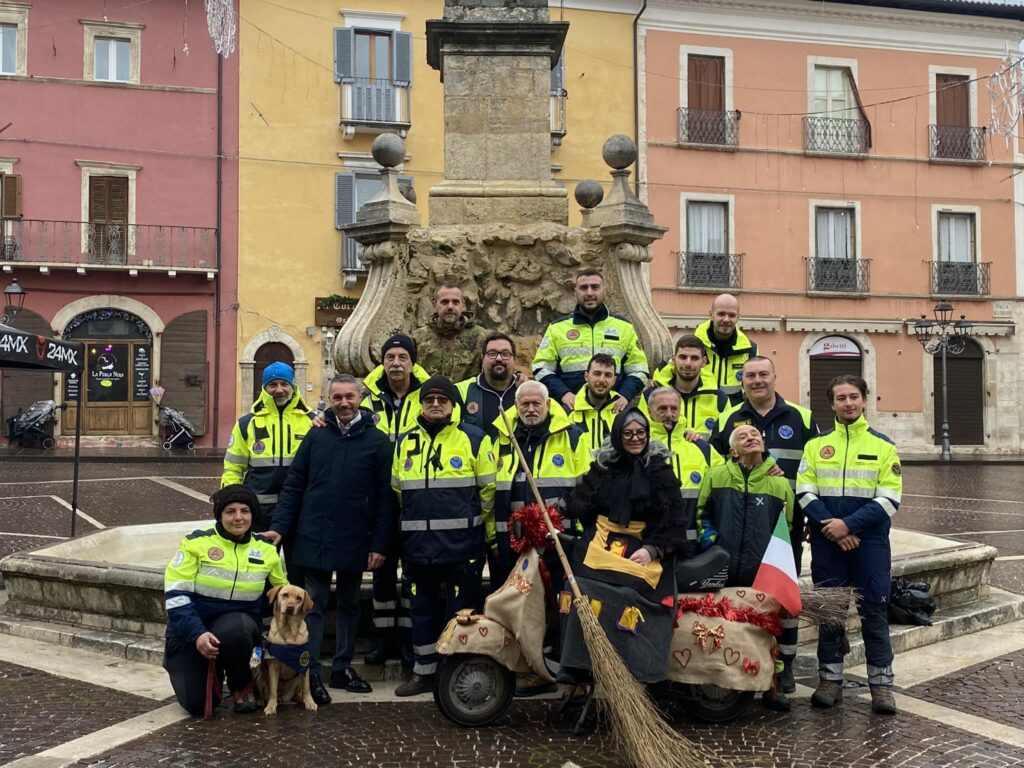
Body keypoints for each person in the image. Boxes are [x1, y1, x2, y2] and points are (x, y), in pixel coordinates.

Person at [264, 375, 397, 705]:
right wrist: (280, 527)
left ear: (360, 397)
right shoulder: (316, 435)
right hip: (315, 534)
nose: (344, 403)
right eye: (337, 397)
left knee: (351, 604)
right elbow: (294, 484)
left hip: (356, 535)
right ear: (329, 400)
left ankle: (342, 667)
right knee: (315, 605)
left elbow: (385, 499)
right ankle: (313, 674)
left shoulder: (379, 442)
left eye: (349, 396)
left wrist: (380, 544)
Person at [710, 355, 818, 693]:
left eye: (763, 374)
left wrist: (809, 518)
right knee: (738, 599)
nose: (757, 380)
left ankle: (782, 670)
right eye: (750, 375)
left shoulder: (802, 417)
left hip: (783, 533)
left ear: (775, 377)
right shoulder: (728, 417)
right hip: (737, 528)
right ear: (742, 380)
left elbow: (812, 472)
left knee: (783, 602)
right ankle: (742, 665)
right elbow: (716, 465)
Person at [558, 408, 687, 685]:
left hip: (643, 547)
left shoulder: (659, 471)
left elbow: (674, 520)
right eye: (627, 433)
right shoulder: (605, 466)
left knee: (626, 594)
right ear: (618, 436)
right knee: (576, 587)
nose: (634, 438)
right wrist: (553, 514)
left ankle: (629, 665)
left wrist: (653, 550)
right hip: (600, 543)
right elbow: (580, 500)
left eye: (640, 433)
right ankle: (578, 663)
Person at [798, 375, 902, 716]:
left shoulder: (884, 446)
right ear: (831, 404)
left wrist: (849, 525)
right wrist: (834, 527)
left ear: (864, 399)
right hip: (829, 539)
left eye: (853, 397)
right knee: (830, 613)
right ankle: (830, 681)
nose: (848, 403)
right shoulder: (815, 446)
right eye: (841, 398)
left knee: (874, 612)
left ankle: (882, 687)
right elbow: (804, 491)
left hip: (869, 541)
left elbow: (890, 499)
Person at [390, 375, 496, 697]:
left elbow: (488, 493)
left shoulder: (475, 439)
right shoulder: (405, 441)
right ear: (421, 404)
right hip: (418, 549)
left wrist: (486, 537)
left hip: (462, 548)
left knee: (461, 613)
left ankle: (456, 675)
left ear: (454, 406)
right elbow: (398, 492)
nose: (435, 404)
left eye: (442, 400)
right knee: (421, 611)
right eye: (429, 399)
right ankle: (423, 673)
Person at [163, 485, 287, 716]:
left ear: (253, 515)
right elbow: (176, 596)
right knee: (198, 706)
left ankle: (241, 684)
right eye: (230, 511)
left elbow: (282, 592)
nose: (238, 517)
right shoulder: (195, 543)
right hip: (193, 632)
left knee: (236, 631)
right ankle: (199, 667)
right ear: (219, 515)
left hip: (236, 627)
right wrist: (197, 634)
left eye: (245, 511)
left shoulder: (266, 550)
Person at [695, 425, 795, 711]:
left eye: (756, 434)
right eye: (742, 436)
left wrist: (774, 560)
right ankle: (723, 680)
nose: (752, 437)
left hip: (762, 570)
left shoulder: (780, 483)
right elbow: (703, 516)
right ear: (732, 450)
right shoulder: (715, 476)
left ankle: (772, 686)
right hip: (723, 567)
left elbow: (786, 527)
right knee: (724, 623)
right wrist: (713, 545)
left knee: (766, 628)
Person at [361, 334, 429, 665]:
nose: (396, 363)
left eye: (403, 356)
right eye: (390, 357)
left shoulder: (427, 396)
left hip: (415, 497)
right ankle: (382, 638)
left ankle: (406, 639)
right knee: (382, 574)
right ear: (383, 362)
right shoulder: (366, 398)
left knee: (413, 575)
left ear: (413, 362)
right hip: (378, 499)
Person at [532, 268, 649, 413]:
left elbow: (640, 370)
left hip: (612, 411)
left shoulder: (624, 327)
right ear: (575, 292)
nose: (589, 293)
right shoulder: (557, 328)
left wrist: (625, 396)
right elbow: (541, 368)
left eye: (595, 287)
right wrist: (563, 394)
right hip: (571, 411)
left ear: (604, 291)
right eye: (583, 288)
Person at [222, 362, 315, 531]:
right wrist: (229, 499)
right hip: (259, 512)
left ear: (293, 386)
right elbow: (233, 469)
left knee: (300, 559)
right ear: (264, 388)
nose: (279, 390)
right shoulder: (246, 424)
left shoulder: (312, 421)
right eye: (272, 385)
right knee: (258, 558)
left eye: (284, 384)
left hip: (299, 509)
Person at [646, 387, 723, 556]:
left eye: (674, 408)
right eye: (662, 408)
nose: (669, 413)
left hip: (693, 547)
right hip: (650, 546)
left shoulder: (703, 449)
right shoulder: (639, 447)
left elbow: (727, 483)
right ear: (649, 410)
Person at [640, 335, 729, 440]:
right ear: (673, 360)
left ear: (703, 362)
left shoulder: (719, 399)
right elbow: (640, 432)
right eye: (683, 357)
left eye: (694, 358)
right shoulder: (651, 395)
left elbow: (726, 440)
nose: (688, 363)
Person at [413, 282, 490, 382]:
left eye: (455, 302)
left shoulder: (481, 337)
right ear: (434, 304)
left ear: (463, 305)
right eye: (444, 302)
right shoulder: (418, 338)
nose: (450, 307)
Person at [457, 332, 519, 441]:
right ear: (483, 358)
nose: (499, 358)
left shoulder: (525, 391)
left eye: (505, 354)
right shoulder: (463, 391)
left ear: (514, 359)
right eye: (492, 353)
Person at [694, 294, 757, 399]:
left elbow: (756, 388)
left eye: (732, 315)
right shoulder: (693, 345)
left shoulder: (749, 349)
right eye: (721, 314)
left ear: (738, 317)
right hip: (700, 413)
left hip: (733, 414)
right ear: (711, 315)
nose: (726, 319)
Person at [568, 353, 619, 456]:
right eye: (597, 373)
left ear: (614, 380)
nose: (601, 380)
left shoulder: (622, 413)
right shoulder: (568, 411)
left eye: (608, 375)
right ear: (586, 376)